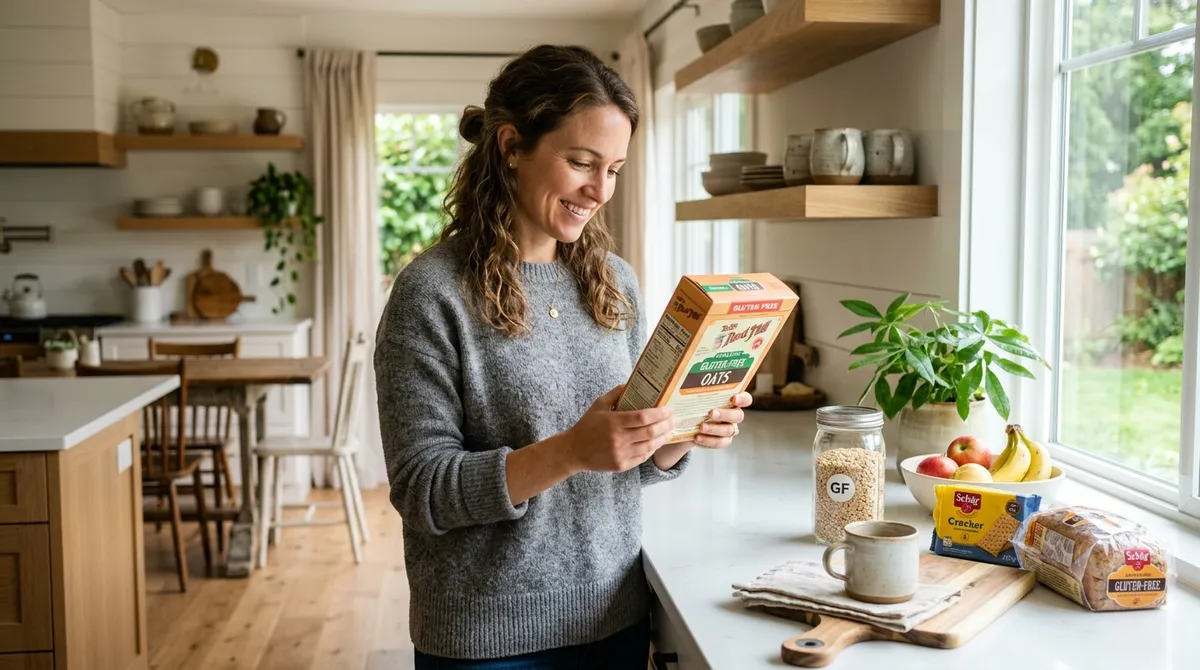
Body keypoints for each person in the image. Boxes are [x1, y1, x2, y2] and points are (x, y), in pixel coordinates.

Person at [374, 44, 753, 669]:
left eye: (615, 169)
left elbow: (631, 462)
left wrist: (679, 431)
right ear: (511, 146)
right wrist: (571, 450)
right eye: (581, 162)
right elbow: (423, 489)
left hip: (614, 616)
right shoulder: (431, 292)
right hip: (488, 638)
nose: (599, 189)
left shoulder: (614, 282)